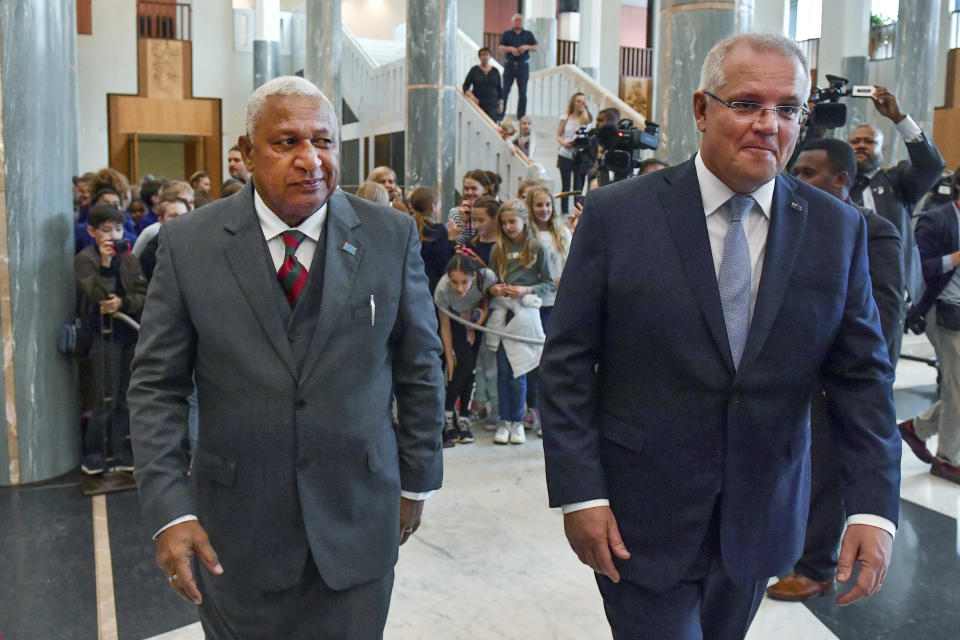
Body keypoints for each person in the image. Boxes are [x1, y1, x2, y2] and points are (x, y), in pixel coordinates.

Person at [540, 33, 901, 640]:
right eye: (747, 103)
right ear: (702, 110)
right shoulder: (617, 215)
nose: (768, 124)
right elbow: (568, 365)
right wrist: (580, 494)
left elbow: (862, 376)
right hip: (638, 518)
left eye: (788, 109)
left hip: (762, 517)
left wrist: (871, 506)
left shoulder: (836, 231)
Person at [128, 76, 444, 639]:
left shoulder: (389, 236)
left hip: (358, 520)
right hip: (235, 533)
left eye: (322, 141)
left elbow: (420, 365)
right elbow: (157, 386)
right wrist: (171, 511)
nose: (310, 160)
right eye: (286, 143)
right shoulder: (190, 245)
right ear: (247, 153)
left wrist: (417, 480)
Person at [766, 137, 904, 602]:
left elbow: (882, 316)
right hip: (788, 376)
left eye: (807, 173)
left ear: (840, 179)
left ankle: (817, 566)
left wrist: (851, 379)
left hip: (835, 380)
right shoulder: (792, 222)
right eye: (795, 171)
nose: (796, 180)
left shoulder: (872, 229)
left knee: (826, 472)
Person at [847, 87, 944, 301]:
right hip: (849, 287)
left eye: (869, 142)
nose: (861, 145)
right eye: (855, 142)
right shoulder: (837, 186)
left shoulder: (898, 181)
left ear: (883, 151)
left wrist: (899, 119)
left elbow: (931, 166)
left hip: (892, 289)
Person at [75, 203, 146, 475]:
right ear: (92, 231)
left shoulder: (129, 258)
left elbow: (144, 292)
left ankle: (119, 449)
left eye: (118, 229)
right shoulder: (85, 259)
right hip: (102, 334)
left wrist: (125, 302)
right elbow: (96, 293)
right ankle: (94, 451)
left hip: (128, 332)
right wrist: (105, 266)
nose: (114, 236)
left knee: (126, 395)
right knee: (105, 395)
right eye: (106, 230)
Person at [897, 189, 960, 485]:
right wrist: (956, 257)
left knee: (957, 390)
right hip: (944, 313)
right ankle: (947, 459)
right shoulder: (938, 220)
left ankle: (917, 429)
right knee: (957, 392)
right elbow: (917, 266)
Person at [488, 198, 554, 446]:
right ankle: (505, 420)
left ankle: (518, 420)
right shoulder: (498, 250)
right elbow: (491, 281)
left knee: (522, 369)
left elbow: (548, 283)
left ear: (524, 220)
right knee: (504, 370)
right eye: (503, 223)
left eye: (512, 221)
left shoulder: (538, 248)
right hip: (503, 314)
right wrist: (495, 289)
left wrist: (525, 290)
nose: (508, 227)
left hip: (527, 315)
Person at [522, 186, 570, 436]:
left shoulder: (562, 234)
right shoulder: (525, 236)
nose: (544, 209)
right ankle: (532, 408)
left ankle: (548, 412)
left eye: (547, 205)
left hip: (555, 304)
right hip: (532, 303)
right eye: (539, 205)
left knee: (549, 362)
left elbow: (573, 261)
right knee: (530, 360)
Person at [436, 253, 496, 447]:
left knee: (470, 370)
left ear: (474, 276)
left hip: (476, 321)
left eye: (464, 282)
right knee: (461, 366)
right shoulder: (443, 290)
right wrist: (450, 357)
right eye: (455, 282)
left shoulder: (486, 276)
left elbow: (488, 297)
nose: (459, 288)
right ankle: (447, 415)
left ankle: (463, 418)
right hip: (455, 321)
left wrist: (482, 314)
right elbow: (444, 326)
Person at [132, 181, 195, 256]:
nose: (189, 207)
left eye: (191, 202)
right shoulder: (152, 232)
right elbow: (134, 260)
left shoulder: (195, 230)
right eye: (182, 201)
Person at [137, 198, 190, 283]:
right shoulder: (151, 251)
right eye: (173, 216)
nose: (180, 219)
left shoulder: (196, 244)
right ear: (161, 221)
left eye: (184, 215)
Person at [556, 92, 592, 214]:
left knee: (578, 187)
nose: (581, 104)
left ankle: (577, 212)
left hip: (579, 156)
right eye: (578, 101)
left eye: (583, 101)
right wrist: (564, 143)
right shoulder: (565, 117)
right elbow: (558, 135)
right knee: (565, 186)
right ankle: (564, 212)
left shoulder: (586, 119)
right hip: (565, 154)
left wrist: (587, 108)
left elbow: (590, 127)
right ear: (573, 102)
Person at [498, 13, 537, 119]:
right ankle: (500, 115)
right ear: (512, 22)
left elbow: (535, 47)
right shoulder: (507, 34)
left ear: (522, 22)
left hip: (523, 66)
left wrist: (526, 47)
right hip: (509, 64)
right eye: (516, 20)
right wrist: (510, 49)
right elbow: (501, 48)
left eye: (520, 20)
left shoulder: (528, 34)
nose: (518, 22)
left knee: (523, 92)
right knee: (505, 90)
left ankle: (521, 117)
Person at [449, 169, 495, 246]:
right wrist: (463, 222)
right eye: (466, 189)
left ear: (485, 189)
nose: (470, 193)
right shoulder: (456, 213)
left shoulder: (494, 211)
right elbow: (457, 245)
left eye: (474, 188)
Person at [463, 46, 503, 122]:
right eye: (482, 55)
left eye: (487, 54)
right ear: (479, 57)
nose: (485, 57)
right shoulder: (474, 70)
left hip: (492, 105)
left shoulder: (495, 71)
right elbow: (465, 87)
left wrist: (501, 104)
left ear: (490, 56)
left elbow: (499, 89)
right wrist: (472, 97)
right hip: (478, 104)